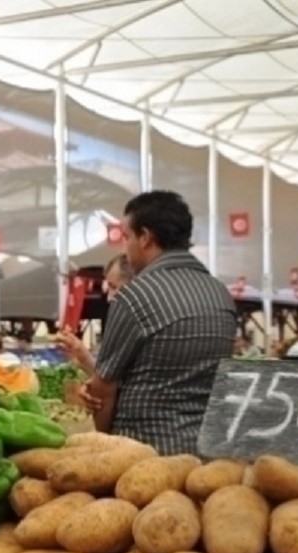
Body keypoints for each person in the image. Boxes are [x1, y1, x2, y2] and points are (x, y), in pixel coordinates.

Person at [80, 191, 237, 455]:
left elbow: (104, 391)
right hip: (210, 454)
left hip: (145, 455)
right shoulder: (220, 294)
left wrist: (103, 444)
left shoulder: (135, 297)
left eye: (127, 237)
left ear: (145, 238)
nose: (125, 248)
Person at [55, 254, 135, 375]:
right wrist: (81, 355)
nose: (109, 298)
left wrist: (83, 356)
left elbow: (108, 385)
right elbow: (107, 379)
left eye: (114, 287)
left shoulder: (137, 329)